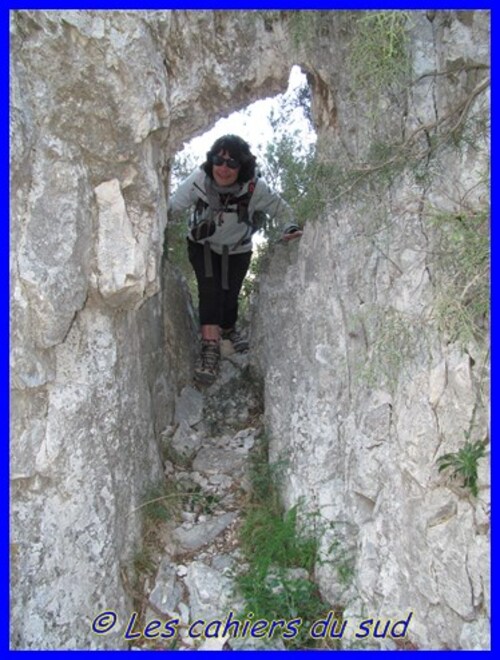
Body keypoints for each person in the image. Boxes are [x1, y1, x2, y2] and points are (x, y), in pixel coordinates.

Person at [168, 134, 302, 384]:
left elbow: (281, 209)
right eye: (219, 160)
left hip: (238, 248)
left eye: (232, 163)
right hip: (203, 245)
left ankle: (228, 329)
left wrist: (290, 227)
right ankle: (210, 347)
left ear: (242, 167)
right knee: (210, 290)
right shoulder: (199, 180)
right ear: (212, 160)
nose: (224, 168)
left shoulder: (254, 188)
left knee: (230, 292)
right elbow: (173, 206)